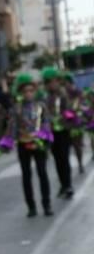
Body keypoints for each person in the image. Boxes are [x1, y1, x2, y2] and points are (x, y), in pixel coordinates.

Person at [0, 74, 53, 218]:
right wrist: (7, 142)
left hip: (38, 144)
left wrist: (45, 138)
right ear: (21, 93)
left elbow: (46, 123)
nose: (28, 93)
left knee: (42, 173)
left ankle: (46, 205)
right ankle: (31, 207)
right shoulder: (16, 109)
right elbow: (12, 127)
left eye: (31, 90)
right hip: (23, 144)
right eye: (25, 91)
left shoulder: (41, 106)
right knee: (26, 176)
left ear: (35, 92)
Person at [43, 67, 74, 199]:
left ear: (58, 81)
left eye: (54, 81)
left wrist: (63, 117)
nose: (52, 84)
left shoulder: (63, 94)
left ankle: (68, 185)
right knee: (57, 159)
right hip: (52, 132)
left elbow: (70, 111)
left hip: (63, 130)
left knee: (64, 158)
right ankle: (63, 184)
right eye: (49, 82)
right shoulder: (45, 97)